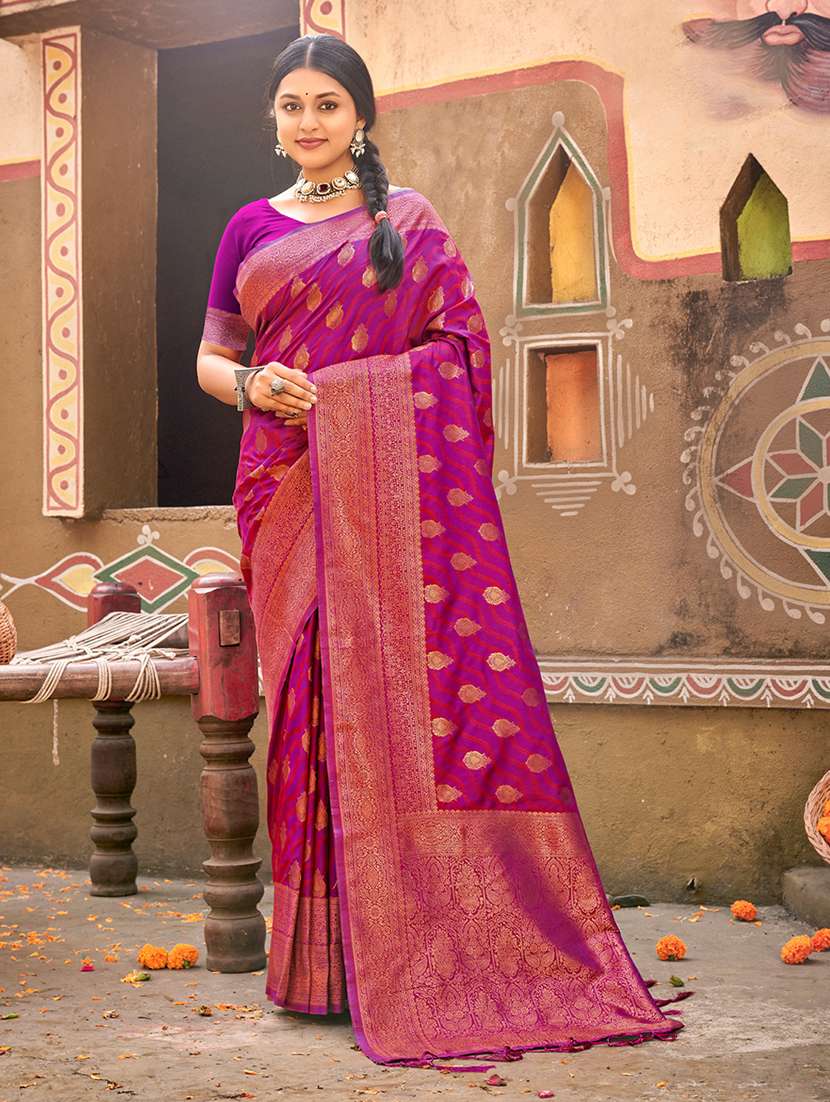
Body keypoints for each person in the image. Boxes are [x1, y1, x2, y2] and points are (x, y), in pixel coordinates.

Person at [196, 32, 690, 1073]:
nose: (307, 122)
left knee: (401, 695)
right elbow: (213, 355)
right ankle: (320, 966)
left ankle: (415, 948)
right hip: (281, 484)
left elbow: (459, 352)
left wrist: (348, 396)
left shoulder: (406, 222)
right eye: (291, 105)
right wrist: (251, 386)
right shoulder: (249, 225)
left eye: (327, 104)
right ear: (273, 119)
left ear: (360, 116)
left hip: (380, 495)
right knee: (308, 704)